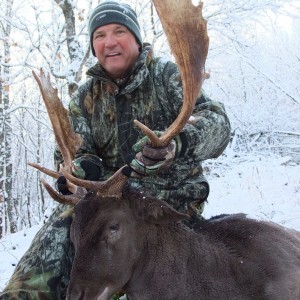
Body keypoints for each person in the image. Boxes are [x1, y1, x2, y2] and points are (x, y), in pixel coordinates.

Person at [0, 1, 231, 299]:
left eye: (119, 31)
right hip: (105, 207)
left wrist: (175, 143)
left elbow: (217, 122)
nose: (109, 42)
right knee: (59, 233)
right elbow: (68, 157)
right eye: (100, 35)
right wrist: (79, 169)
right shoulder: (85, 99)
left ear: (135, 38)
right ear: (94, 45)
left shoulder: (168, 77)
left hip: (165, 206)